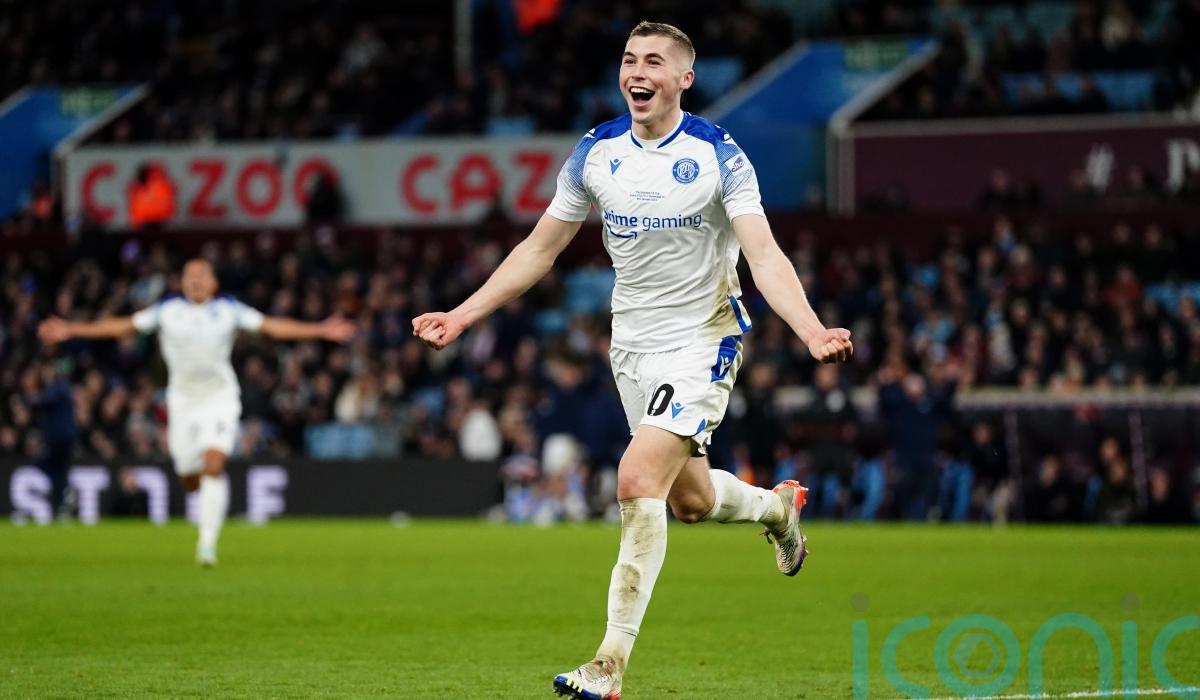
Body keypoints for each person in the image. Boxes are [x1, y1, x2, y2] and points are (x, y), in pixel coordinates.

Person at [412, 21, 853, 700]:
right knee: (690, 501)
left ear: (684, 79)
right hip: (633, 348)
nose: (637, 72)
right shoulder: (597, 152)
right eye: (628, 60)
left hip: (703, 338)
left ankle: (609, 663)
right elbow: (539, 249)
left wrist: (811, 329)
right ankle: (777, 510)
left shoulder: (719, 155)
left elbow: (763, 254)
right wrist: (463, 314)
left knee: (635, 477)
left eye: (653, 61)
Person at [38, 258, 355, 566]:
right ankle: (206, 495)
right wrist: (72, 329)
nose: (196, 280)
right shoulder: (167, 311)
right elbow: (123, 326)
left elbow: (272, 326)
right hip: (182, 404)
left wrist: (320, 329)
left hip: (220, 398)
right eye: (190, 275)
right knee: (189, 474)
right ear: (182, 282)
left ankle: (207, 545)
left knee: (213, 464)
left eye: (202, 274)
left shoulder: (229, 310)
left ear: (214, 282)